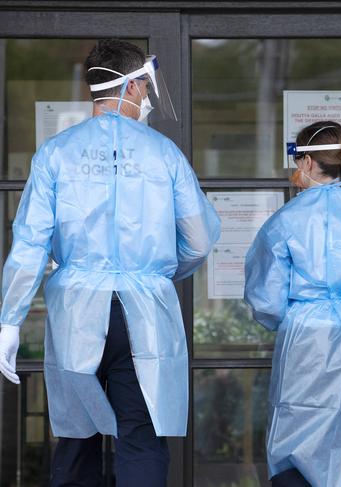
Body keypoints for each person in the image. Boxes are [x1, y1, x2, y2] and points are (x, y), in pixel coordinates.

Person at [0, 39, 220, 486]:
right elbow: (198, 240)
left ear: (94, 89)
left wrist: (9, 320)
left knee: (76, 436)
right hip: (144, 311)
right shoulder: (164, 153)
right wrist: (156, 277)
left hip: (77, 309)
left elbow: (29, 243)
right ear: (135, 86)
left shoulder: (55, 153)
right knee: (140, 435)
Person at [244, 121, 341, 487]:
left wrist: (299, 317)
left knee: (298, 434)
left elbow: (266, 298)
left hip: (308, 339)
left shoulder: (286, 219)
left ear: (307, 162)